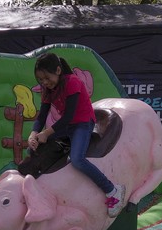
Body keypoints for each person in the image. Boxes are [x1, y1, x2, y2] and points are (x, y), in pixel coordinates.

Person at [27, 53, 125, 217]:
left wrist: (46, 133)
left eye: (47, 78)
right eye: (40, 80)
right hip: (67, 126)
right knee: (35, 148)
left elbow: (69, 116)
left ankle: (112, 190)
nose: (44, 82)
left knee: (77, 160)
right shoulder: (47, 89)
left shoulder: (72, 82)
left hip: (82, 123)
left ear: (58, 70)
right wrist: (34, 133)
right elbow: (42, 115)